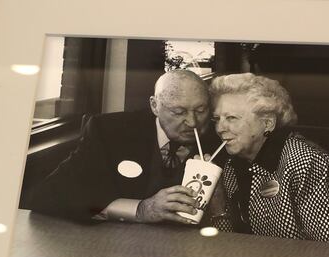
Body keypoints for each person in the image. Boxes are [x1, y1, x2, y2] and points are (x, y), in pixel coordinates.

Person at [27, 70, 221, 224]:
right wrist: (140, 210)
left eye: (201, 110)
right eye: (179, 112)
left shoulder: (219, 135)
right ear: (155, 106)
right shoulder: (110, 132)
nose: (193, 122)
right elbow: (48, 196)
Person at [208, 73, 329, 246]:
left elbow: (327, 253)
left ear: (267, 123)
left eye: (231, 118)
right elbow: (233, 246)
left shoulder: (306, 163)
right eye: (217, 119)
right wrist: (219, 208)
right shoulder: (233, 165)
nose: (220, 128)